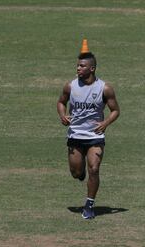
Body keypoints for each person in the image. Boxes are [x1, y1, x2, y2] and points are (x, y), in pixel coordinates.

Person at [57, 41, 120, 219]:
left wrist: (105, 123)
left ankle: (89, 205)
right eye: (77, 65)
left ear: (92, 68)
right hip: (76, 135)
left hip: (95, 136)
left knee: (94, 168)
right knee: (77, 172)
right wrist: (62, 115)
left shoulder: (104, 88)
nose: (78, 68)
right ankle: (80, 172)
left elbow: (116, 111)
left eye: (82, 66)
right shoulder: (70, 86)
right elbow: (61, 102)